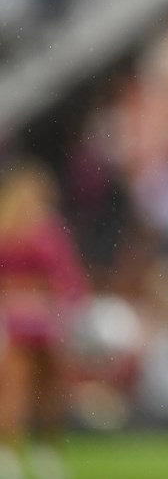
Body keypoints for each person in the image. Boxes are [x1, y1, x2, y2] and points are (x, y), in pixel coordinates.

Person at [0, 158, 90, 478]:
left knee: (49, 389)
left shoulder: (49, 232)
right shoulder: (12, 232)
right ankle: (10, 453)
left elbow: (67, 278)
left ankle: (43, 450)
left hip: (44, 320)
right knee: (14, 389)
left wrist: (66, 304)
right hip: (15, 321)